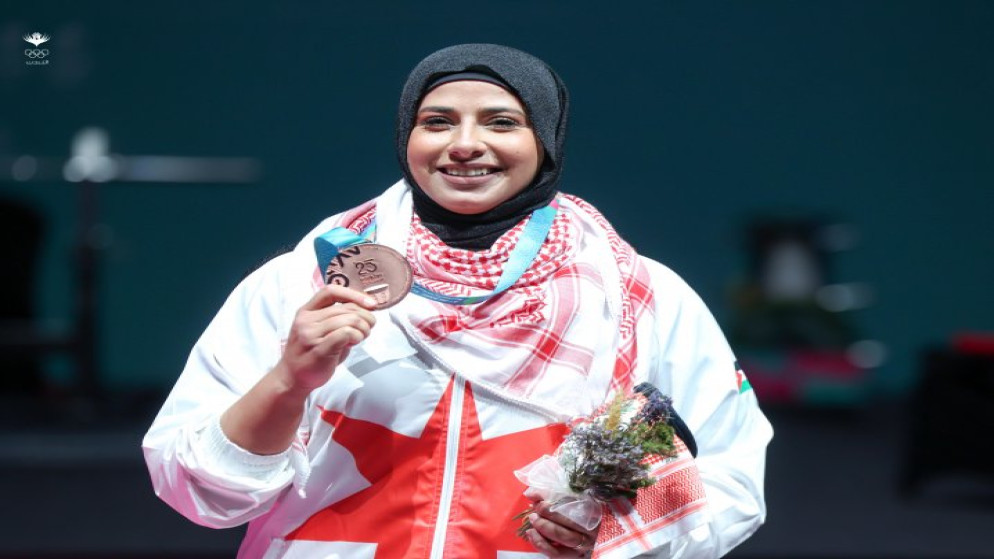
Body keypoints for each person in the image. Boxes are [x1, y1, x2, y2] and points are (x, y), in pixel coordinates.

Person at [143, 43, 772, 558]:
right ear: (406, 136)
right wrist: (288, 382)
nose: (465, 144)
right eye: (437, 121)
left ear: (546, 140)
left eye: (502, 122)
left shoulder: (638, 297)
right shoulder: (304, 284)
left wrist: (623, 535)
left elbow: (730, 480)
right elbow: (201, 495)